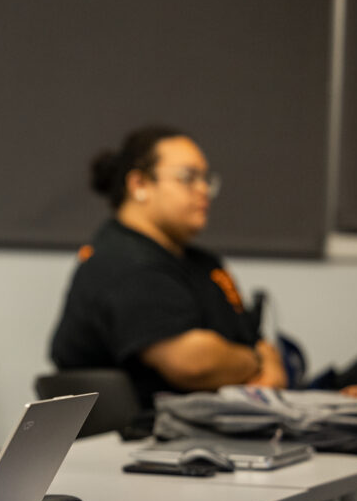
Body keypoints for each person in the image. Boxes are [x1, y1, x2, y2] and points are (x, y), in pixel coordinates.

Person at [50, 125, 288, 409]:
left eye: (205, 179)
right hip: (139, 432)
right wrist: (258, 361)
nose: (203, 190)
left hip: (222, 426)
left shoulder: (204, 263)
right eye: (188, 178)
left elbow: (255, 340)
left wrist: (264, 365)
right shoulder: (123, 263)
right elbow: (194, 364)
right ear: (139, 184)